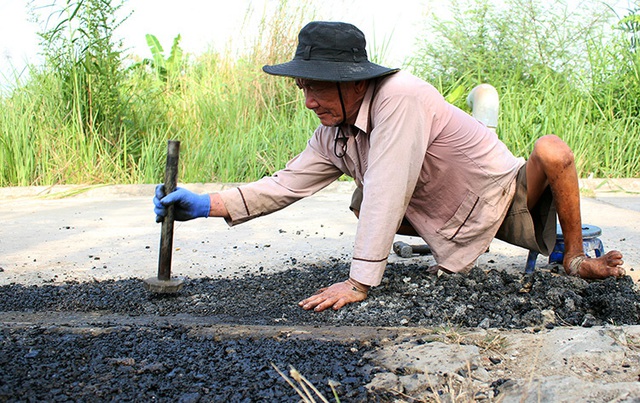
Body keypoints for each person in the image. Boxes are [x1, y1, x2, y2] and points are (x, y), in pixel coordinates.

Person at [154, 21, 625, 313]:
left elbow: (388, 186)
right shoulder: (335, 131)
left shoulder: (400, 97)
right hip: (455, 215)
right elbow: (284, 184)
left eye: (318, 88)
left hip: (507, 195)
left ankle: (574, 256)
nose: (309, 101)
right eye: (302, 88)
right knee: (361, 203)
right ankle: (462, 248)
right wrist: (205, 204)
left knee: (552, 150)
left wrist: (360, 281)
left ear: (354, 82)